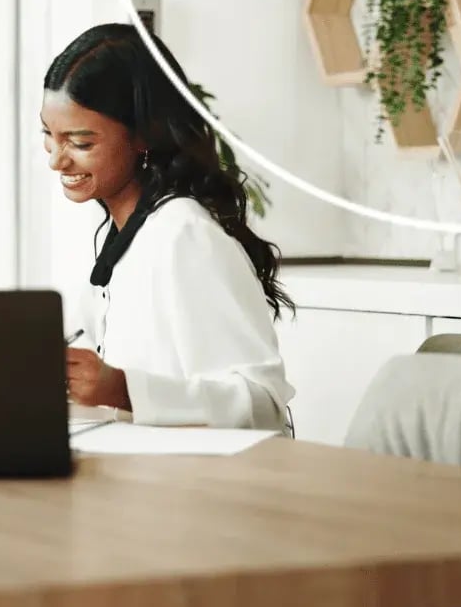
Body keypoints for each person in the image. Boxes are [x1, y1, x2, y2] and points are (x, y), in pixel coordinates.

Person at [42, 23, 295, 431]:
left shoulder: (185, 235)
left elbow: (263, 404)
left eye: (81, 143)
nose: (56, 160)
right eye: (49, 136)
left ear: (143, 135)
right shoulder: (121, 235)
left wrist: (122, 388)